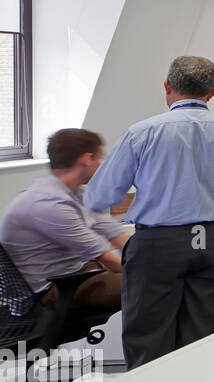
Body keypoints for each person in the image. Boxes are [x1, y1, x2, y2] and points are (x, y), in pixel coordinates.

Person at [85, 56, 214, 369]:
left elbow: (100, 196)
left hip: (158, 243)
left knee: (148, 334)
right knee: (204, 332)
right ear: (212, 93)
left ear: (167, 86)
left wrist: (116, 233)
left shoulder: (140, 133)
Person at [0, 129, 131, 309]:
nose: (101, 165)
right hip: (53, 290)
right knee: (149, 285)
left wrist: (150, 260)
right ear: (86, 159)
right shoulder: (49, 203)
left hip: (76, 274)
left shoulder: (72, 194)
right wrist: (154, 275)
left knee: (154, 278)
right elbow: (107, 258)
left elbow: (114, 234)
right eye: (99, 159)